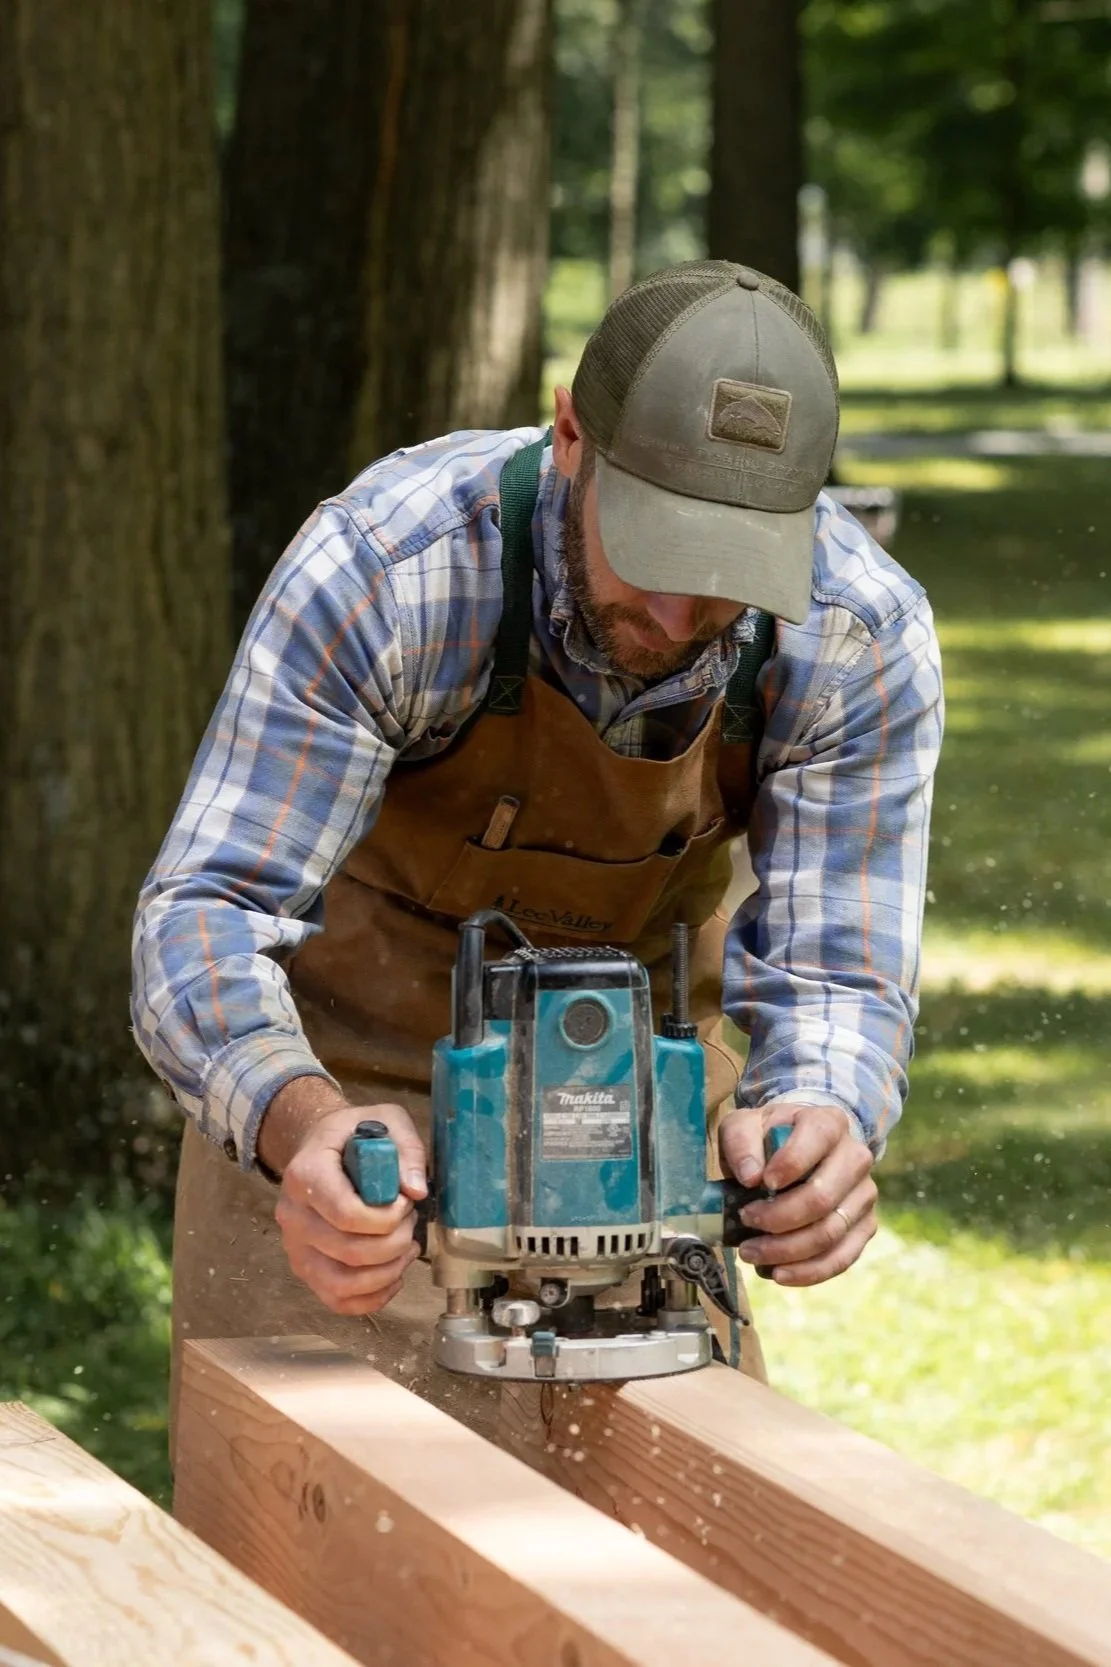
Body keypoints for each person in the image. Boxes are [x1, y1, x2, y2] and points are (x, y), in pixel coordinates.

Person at [132, 260, 943, 1450]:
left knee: (673, 1587)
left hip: (639, 1132)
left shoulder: (854, 633)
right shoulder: (392, 571)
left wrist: (818, 1117)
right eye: (660, 547)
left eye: (730, 572)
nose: (680, 620)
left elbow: (836, 972)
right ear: (571, 432)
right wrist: (301, 1124)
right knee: (324, 1563)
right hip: (357, 1118)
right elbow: (205, 908)